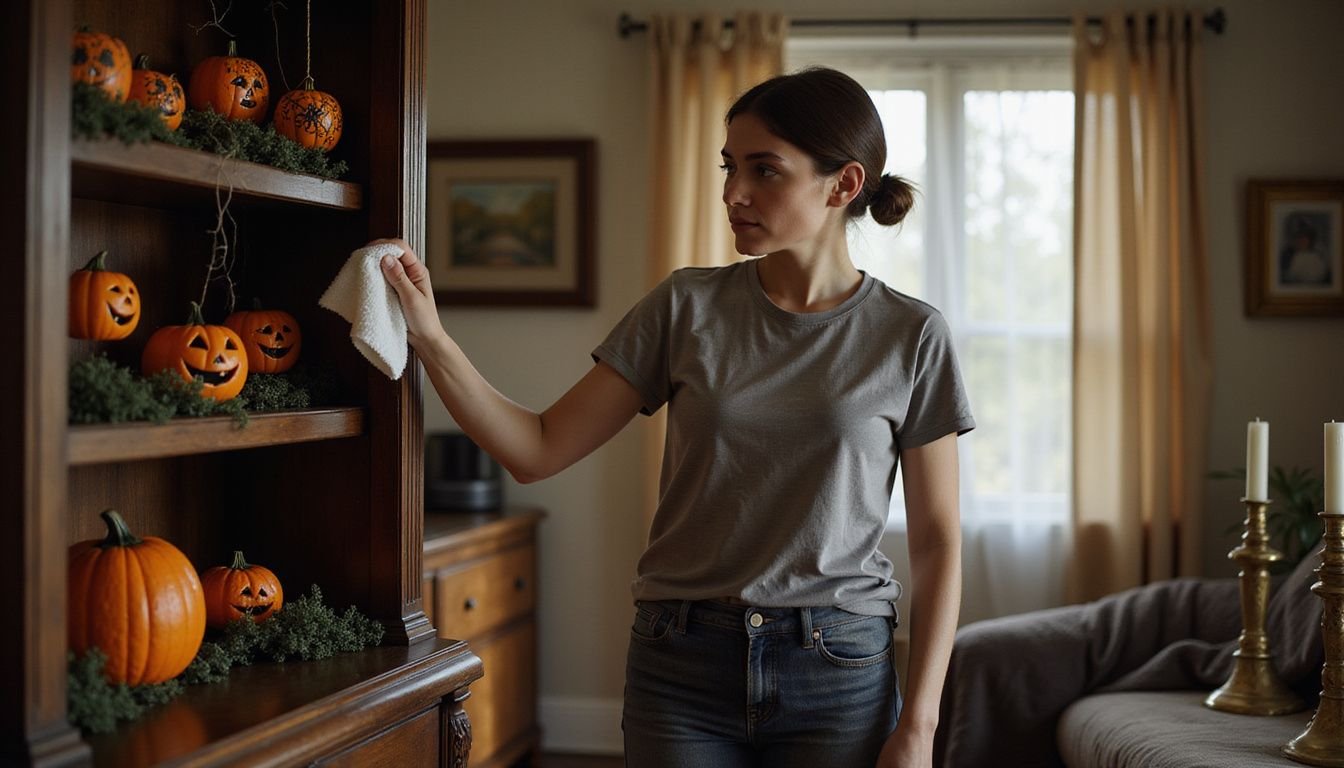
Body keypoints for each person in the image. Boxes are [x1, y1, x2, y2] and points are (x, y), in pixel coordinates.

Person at [374, 66, 973, 768]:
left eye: (764, 170)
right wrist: (431, 338)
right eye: (728, 167)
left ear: (842, 185)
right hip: (682, 663)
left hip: (838, 668)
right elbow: (536, 449)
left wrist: (920, 724)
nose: (733, 193)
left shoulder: (911, 336)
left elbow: (937, 543)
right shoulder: (686, 307)